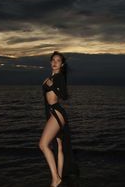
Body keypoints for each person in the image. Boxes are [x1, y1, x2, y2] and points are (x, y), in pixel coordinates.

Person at [39, 51, 80, 187]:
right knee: (60, 147)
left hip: (56, 112)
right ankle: (59, 179)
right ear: (50, 62)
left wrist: (51, 85)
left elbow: (64, 95)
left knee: (43, 145)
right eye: (53, 60)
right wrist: (49, 84)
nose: (55, 62)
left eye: (58, 61)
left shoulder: (59, 77)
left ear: (61, 64)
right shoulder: (51, 77)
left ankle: (55, 179)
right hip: (53, 113)